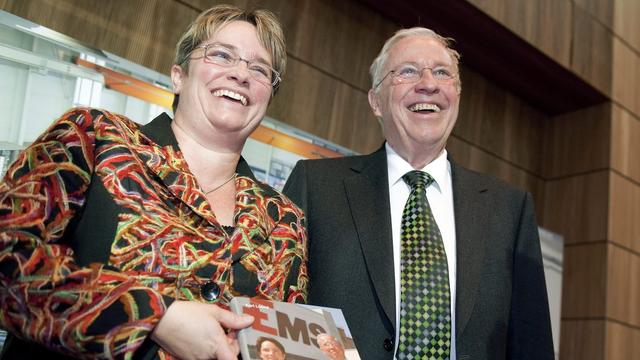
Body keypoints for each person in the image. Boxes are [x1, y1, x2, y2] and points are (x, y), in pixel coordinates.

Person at [0, 4, 307, 360]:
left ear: (268, 95)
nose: (241, 74)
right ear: (179, 75)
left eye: (259, 69)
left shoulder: (284, 220)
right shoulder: (95, 138)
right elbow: (9, 255)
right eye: (222, 55)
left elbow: (284, 346)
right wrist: (153, 316)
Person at [283, 27, 553, 360]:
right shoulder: (316, 186)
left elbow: (532, 344)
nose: (429, 83)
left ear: (456, 96)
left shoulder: (509, 209)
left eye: (443, 73)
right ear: (376, 102)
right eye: (408, 71)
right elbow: (279, 314)